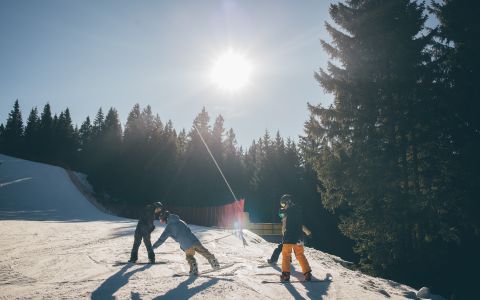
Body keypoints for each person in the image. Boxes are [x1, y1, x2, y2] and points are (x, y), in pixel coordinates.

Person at [153, 209, 220, 275]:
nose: (162, 222)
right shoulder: (181, 221)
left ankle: (194, 269)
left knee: (189, 256)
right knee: (204, 252)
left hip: (186, 245)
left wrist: (154, 246)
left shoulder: (168, 228)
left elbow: (161, 239)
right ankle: (214, 263)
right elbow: (187, 230)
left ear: (165, 218)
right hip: (194, 241)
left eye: (162, 220)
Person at [279, 194, 312, 282]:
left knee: (286, 255)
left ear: (287, 202)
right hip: (299, 237)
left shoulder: (285, 213)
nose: (282, 206)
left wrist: (283, 235)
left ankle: (285, 275)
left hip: (288, 237)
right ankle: (307, 273)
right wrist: (308, 232)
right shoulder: (297, 210)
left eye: (283, 204)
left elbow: (284, 226)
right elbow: (300, 225)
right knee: (300, 255)